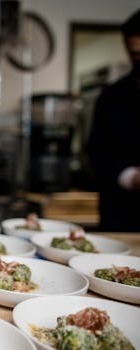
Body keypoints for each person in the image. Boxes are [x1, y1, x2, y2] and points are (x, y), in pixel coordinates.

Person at [87, 9, 140, 232]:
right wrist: (131, 177)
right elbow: (96, 153)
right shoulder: (111, 97)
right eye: (136, 53)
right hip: (121, 218)